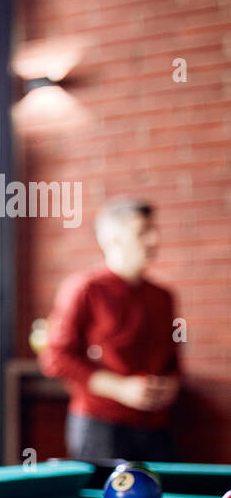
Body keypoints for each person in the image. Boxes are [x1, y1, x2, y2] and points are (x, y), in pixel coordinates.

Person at [39, 198, 180, 463]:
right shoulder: (84, 289)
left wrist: (172, 384)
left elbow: (173, 360)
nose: (154, 240)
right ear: (112, 239)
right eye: (142, 232)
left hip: (157, 427)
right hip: (100, 426)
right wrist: (121, 389)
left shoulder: (163, 297)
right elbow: (55, 358)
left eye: (154, 230)